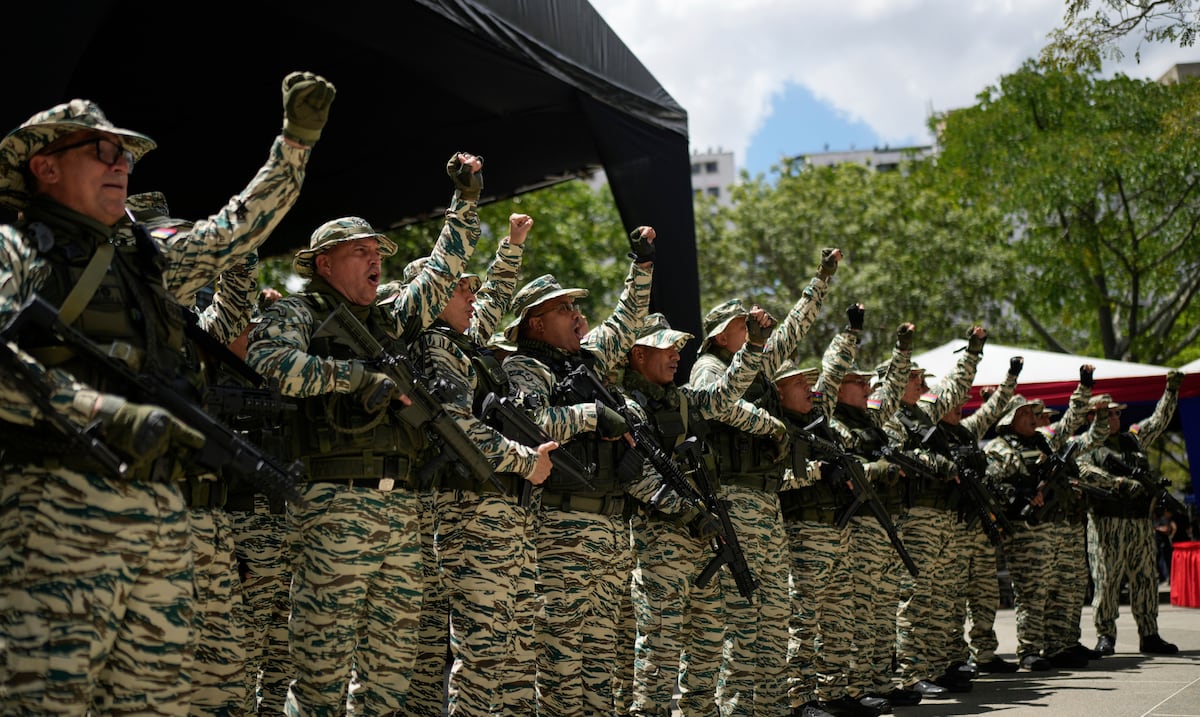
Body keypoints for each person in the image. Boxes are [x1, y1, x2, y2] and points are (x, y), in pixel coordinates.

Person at [0, 71, 331, 713]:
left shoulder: (149, 263)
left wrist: (295, 143)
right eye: (101, 151)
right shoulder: (13, 250)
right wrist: (98, 410)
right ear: (42, 165)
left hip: (160, 516)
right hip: (55, 509)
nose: (120, 164)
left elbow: (236, 230)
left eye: (124, 154)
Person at [245, 152, 485, 714]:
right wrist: (352, 378)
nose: (376, 261)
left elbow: (442, 273)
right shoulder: (301, 313)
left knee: (391, 672)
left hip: (399, 513)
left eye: (378, 253)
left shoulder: (391, 318)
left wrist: (465, 203)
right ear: (324, 263)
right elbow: (266, 360)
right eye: (362, 252)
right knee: (322, 673)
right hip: (331, 504)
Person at [404, 213, 558, 716]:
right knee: (484, 655)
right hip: (470, 513)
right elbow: (455, 425)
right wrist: (524, 461)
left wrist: (511, 247)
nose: (472, 297)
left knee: (515, 654)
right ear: (432, 298)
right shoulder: (433, 343)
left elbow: (490, 300)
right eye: (460, 288)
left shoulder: (462, 343)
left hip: (501, 511)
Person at [501, 226, 655, 716]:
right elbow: (532, 424)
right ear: (535, 325)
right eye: (563, 309)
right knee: (562, 662)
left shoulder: (587, 359)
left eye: (575, 306)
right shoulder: (527, 367)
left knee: (601, 662)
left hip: (610, 530)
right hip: (561, 531)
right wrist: (592, 415)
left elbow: (626, 320)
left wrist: (642, 264)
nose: (578, 315)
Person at [688, 247, 841, 717]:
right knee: (743, 615)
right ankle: (737, 710)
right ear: (721, 334)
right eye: (742, 326)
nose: (753, 330)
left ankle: (775, 707)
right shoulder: (709, 367)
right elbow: (719, 405)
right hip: (733, 500)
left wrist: (821, 280)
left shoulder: (754, 363)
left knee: (774, 612)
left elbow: (794, 329)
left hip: (764, 501)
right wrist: (772, 426)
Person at [621, 311, 775, 717]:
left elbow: (727, 394)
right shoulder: (626, 407)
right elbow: (637, 477)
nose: (675, 356)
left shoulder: (686, 399)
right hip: (661, 541)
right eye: (666, 348)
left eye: (677, 348)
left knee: (708, 644)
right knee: (661, 648)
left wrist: (754, 346)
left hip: (703, 540)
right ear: (637, 355)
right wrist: (688, 513)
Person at [776, 303, 899, 717]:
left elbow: (830, 374)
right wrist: (817, 472)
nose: (811, 389)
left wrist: (850, 333)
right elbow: (774, 480)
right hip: (803, 532)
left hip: (836, 531)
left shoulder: (818, 422)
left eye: (810, 383)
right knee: (805, 618)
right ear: (778, 389)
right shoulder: (775, 427)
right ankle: (799, 697)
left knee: (840, 617)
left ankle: (834, 691)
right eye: (799, 383)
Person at [887, 326, 988, 697]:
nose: (919, 383)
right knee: (915, 597)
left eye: (920, 378)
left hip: (942, 516)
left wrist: (973, 351)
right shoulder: (888, 415)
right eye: (912, 378)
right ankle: (912, 673)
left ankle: (937, 665)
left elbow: (956, 387)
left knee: (941, 596)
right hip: (914, 516)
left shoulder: (925, 412)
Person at [983, 366, 1094, 672]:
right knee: (1032, 591)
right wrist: (1021, 493)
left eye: (1034, 413)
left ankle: (1059, 645)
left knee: (1059, 588)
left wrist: (1083, 388)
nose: (1033, 418)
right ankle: (1029, 649)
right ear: (1009, 420)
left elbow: (1070, 421)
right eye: (1025, 414)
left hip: (1053, 529)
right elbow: (992, 485)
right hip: (1024, 530)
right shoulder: (999, 448)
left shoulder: (1044, 442)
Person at [828, 324, 914, 709]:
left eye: (867, 382)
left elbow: (892, 389)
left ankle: (879, 680)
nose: (867, 389)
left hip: (885, 521)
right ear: (838, 388)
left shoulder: (871, 422)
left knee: (883, 606)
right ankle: (854, 686)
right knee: (861, 609)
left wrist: (902, 350)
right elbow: (853, 469)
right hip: (859, 524)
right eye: (857, 383)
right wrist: (881, 469)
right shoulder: (834, 423)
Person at [1078, 371, 1186, 656]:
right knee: (1107, 580)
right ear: (1093, 418)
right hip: (1106, 524)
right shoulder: (1086, 445)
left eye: (1116, 414)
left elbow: (1158, 421)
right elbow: (1086, 473)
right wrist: (1121, 483)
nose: (1115, 418)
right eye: (1109, 414)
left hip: (1139, 523)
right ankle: (1105, 636)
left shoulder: (1133, 440)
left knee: (1146, 578)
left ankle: (1149, 633)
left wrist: (1170, 391)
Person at [936, 362, 1020, 676]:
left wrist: (1011, 378)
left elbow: (995, 407)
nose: (960, 407)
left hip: (978, 524)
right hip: (952, 527)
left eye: (962, 403)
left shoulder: (967, 431)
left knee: (986, 592)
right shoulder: (931, 435)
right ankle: (955, 657)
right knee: (953, 595)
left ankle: (984, 653)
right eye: (954, 402)